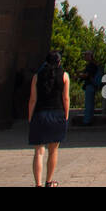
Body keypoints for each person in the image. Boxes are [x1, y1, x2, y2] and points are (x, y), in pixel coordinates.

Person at [27, 51, 69, 187]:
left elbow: (33, 99)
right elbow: (66, 98)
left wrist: (30, 116)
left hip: (40, 114)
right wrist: (66, 115)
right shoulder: (64, 75)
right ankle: (49, 182)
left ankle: (38, 184)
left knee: (39, 152)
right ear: (59, 62)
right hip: (57, 114)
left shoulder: (37, 76)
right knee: (53, 151)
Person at [78, 51, 98, 125]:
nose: (84, 57)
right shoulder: (94, 64)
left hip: (90, 85)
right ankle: (89, 119)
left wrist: (79, 75)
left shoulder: (91, 65)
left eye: (86, 55)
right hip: (93, 85)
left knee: (88, 104)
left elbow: (87, 75)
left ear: (90, 56)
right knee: (90, 104)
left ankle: (86, 121)